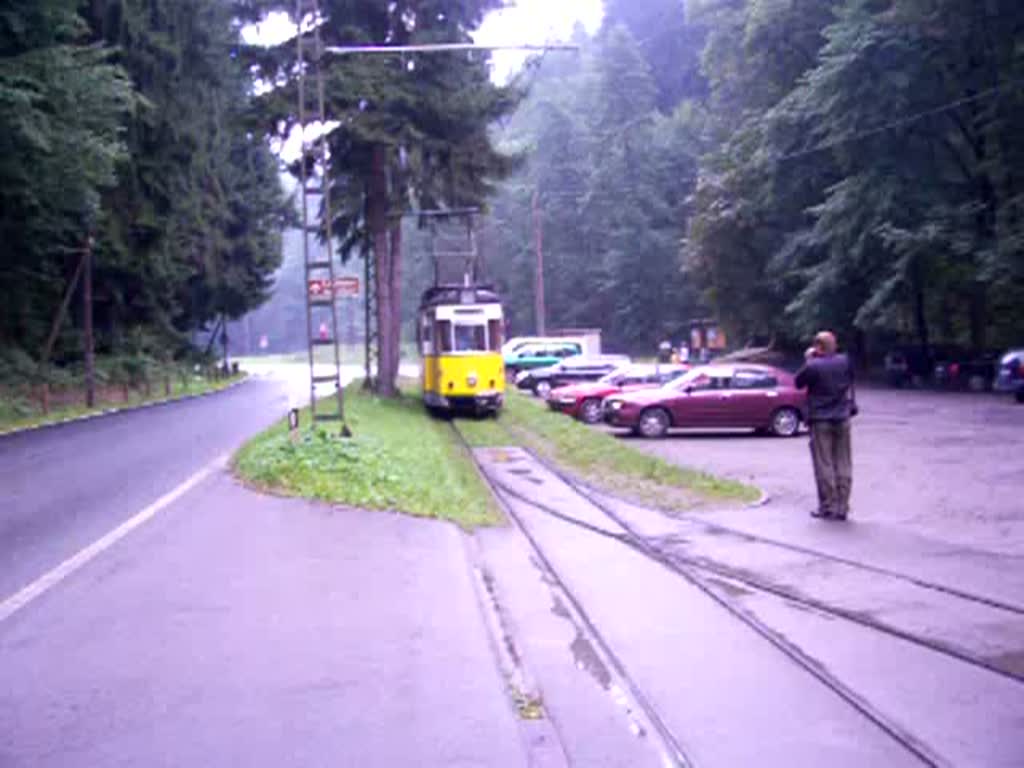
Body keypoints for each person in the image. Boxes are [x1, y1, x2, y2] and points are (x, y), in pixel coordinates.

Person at [795, 331, 857, 520]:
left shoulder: (813, 366)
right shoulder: (845, 361)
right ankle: (842, 507)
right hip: (842, 418)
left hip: (820, 419)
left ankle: (828, 506)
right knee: (844, 462)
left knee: (825, 464)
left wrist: (809, 359)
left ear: (818, 347)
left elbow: (798, 382)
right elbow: (851, 378)